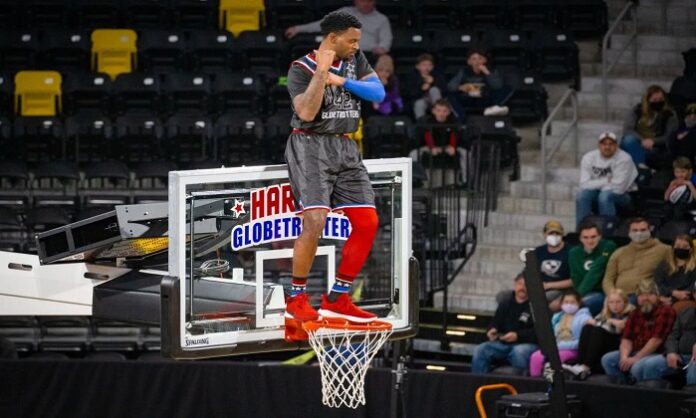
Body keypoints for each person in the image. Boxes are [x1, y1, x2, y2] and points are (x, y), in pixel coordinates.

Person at [284, 11, 386, 323]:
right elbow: (306, 112)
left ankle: (338, 297)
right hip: (310, 144)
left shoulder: (356, 61)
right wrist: (321, 74)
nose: (356, 45)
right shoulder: (300, 68)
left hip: (345, 145)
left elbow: (378, 93)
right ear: (333, 38)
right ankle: (296, 298)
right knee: (315, 220)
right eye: (351, 40)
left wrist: (340, 79)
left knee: (367, 222)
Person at [601, 279, 676, 384]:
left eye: (649, 294)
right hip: (635, 351)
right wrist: (624, 358)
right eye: (642, 295)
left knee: (638, 367)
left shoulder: (665, 311)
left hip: (657, 353)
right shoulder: (635, 313)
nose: (645, 298)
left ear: (657, 296)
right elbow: (626, 338)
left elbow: (656, 341)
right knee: (608, 359)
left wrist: (636, 358)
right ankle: (622, 389)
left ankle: (641, 391)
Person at [471, 272, 538, 374]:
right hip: (503, 343)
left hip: (527, 344)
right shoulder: (505, 302)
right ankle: (478, 381)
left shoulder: (536, 306)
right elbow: (495, 322)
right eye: (520, 284)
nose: (522, 288)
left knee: (519, 351)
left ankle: (520, 382)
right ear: (515, 284)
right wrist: (492, 330)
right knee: (480, 349)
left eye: (526, 285)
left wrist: (517, 336)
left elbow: (539, 332)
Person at [563, 289, 634, 379]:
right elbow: (593, 322)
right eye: (611, 302)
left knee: (598, 331)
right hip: (605, 343)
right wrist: (610, 321)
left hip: (620, 344)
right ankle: (579, 363)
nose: (614, 305)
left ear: (625, 302)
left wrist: (608, 322)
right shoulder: (606, 313)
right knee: (587, 328)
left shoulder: (631, 313)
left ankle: (586, 366)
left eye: (618, 302)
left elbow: (619, 329)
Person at [284, 0, 392, 57]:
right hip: (342, 53)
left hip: (368, 55)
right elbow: (323, 24)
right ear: (356, 1)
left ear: (374, 2)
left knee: (385, 60)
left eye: (369, 1)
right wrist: (298, 29)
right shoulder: (346, 12)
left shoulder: (382, 19)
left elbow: (386, 39)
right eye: (363, 1)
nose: (366, 4)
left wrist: (382, 48)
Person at [602, 217, 671, 304]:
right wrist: (612, 294)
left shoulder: (664, 250)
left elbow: (671, 273)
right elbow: (608, 279)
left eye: (643, 230)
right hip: (616, 295)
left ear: (649, 230)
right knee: (589, 303)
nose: (639, 233)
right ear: (629, 232)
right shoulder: (619, 252)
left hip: (641, 295)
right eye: (635, 230)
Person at [575, 131, 637, 226]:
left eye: (611, 144)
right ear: (599, 145)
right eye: (604, 144)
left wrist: (595, 184)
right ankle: (582, 230)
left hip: (625, 195)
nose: (607, 147)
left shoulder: (624, 158)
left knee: (605, 196)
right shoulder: (589, 157)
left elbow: (619, 187)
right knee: (582, 196)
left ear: (616, 146)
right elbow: (584, 184)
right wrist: (607, 180)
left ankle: (607, 230)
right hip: (599, 191)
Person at [642, 281, 696, 387]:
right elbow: (672, 336)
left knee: (694, 370)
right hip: (680, 356)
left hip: (694, 359)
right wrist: (671, 352)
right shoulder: (685, 313)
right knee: (650, 365)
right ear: (694, 294)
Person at [528, 290, 592, 377]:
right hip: (555, 347)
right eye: (566, 302)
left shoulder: (584, 318)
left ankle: (556, 382)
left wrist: (560, 346)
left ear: (579, 303)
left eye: (572, 302)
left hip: (572, 350)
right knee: (535, 357)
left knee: (555, 358)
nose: (569, 305)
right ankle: (536, 381)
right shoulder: (557, 317)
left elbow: (582, 342)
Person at [409, 99, 467, 185]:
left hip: (448, 146)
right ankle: (415, 180)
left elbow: (454, 135)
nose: (441, 113)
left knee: (465, 153)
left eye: (444, 111)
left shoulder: (453, 121)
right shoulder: (428, 121)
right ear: (433, 111)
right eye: (438, 110)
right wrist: (432, 148)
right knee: (413, 154)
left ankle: (466, 181)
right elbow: (427, 135)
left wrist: (453, 147)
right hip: (431, 146)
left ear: (448, 112)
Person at [620, 85, 679, 169]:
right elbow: (627, 130)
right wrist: (642, 140)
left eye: (661, 99)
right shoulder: (637, 110)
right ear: (648, 100)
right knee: (628, 141)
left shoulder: (670, 114)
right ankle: (642, 167)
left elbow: (670, 135)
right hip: (637, 142)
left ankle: (642, 169)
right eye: (655, 100)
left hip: (656, 146)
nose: (658, 102)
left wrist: (653, 141)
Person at [446, 48, 510, 118]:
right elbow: (450, 86)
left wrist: (487, 72)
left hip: (485, 99)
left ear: (485, 60)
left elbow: (498, 86)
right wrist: (460, 87)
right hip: (468, 98)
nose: (477, 61)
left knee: (506, 88)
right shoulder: (464, 71)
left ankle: (494, 109)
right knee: (450, 95)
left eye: (480, 58)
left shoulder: (491, 71)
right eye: (474, 59)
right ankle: (461, 117)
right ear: (469, 62)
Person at [569, 222, 617, 315]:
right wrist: (575, 296)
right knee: (558, 305)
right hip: (582, 292)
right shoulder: (574, 253)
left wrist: (577, 296)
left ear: (600, 236)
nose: (590, 241)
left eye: (593, 237)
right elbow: (575, 277)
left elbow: (597, 269)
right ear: (580, 238)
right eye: (585, 237)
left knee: (579, 306)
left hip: (602, 292)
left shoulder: (608, 246)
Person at [534, 220, 573, 312]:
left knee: (541, 298)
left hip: (561, 290)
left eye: (557, 233)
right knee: (506, 296)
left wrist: (548, 285)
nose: (554, 236)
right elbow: (530, 273)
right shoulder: (538, 251)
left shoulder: (572, 252)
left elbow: (574, 280)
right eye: (551, 233)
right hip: (539, 288)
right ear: (545, 234)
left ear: (562, 235)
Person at [655, 234, 696, 314]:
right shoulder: (664, 265)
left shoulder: (694, 266)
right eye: (678, 246)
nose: (681, 248)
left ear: (690, 249)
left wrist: (677, 297)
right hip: (664, 296)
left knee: (677, 308)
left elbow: (693, 286)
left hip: (686, 299)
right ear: (673, 248)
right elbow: (658, 283)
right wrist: (672, 293)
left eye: (685, 247)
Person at [403, 53, 445, 119]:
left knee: (434, 90)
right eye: (424, 65)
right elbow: (409, 93)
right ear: (417, 66)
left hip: (434, 100)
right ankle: (421, 123)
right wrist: (421, 89)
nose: (427, 68)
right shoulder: (412, 77)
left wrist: (433, 82)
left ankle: (438, 115)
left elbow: (444, 89)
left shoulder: (437, 75)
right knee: (419, 104)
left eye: (429, 65)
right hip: (420, 99)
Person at [663, 157, 696, 222]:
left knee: (679, 210)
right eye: (677, 172)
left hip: (692, 206)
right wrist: (671, 186)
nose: (680, 175)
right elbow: (666, 198)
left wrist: (689, 184)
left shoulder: (694, 179)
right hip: (679, 205)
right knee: (667, 208)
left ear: (690, 171)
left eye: (683, 171)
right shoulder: (675, 180)